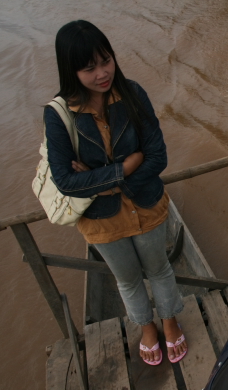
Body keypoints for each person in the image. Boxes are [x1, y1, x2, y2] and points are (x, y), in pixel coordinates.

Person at [45, 20, 187, 365]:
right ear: (71, 69)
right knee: (127, 281)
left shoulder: (133, 94)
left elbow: (158, 156)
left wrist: (98, 179)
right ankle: (147, 328)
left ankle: (169, 323)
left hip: (146, 203)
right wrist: (124, 168)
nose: (102, 73)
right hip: (102, 222)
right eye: (89, 67)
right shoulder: (58, 115)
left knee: (160, 269)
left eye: (106, 60)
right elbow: (64, 180)